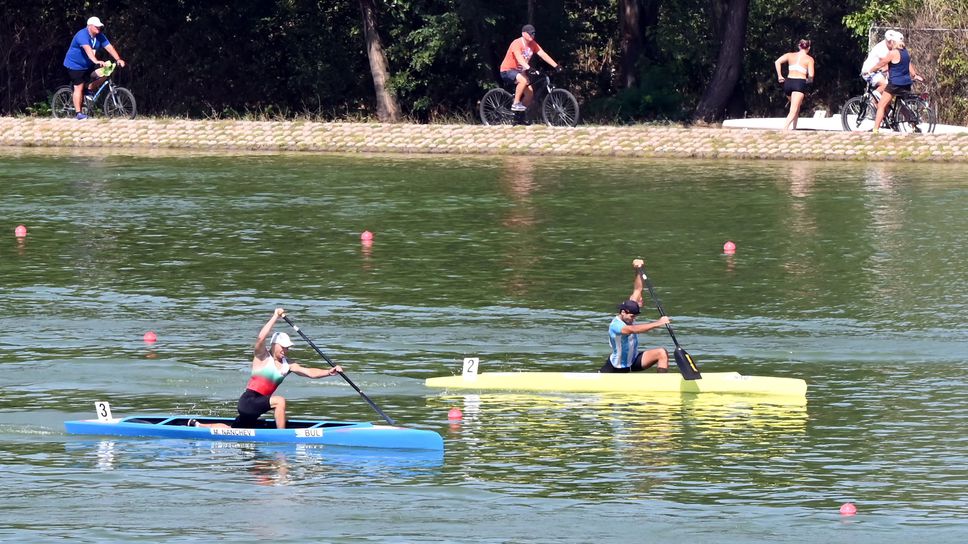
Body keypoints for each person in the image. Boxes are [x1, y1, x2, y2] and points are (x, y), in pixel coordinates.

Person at [193, 308, 343, 430]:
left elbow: (309, 372)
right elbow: (260, 338)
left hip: (260, 404)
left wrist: (328, 372)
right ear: (274, 345)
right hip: (248, 401)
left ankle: (197, 425)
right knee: (280, 401)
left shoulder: (288, 364)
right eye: (282, 347)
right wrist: (274, 317)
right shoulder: (262, 356)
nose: (285, 350)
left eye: (287, 347)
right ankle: (282, 436)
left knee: (234, 430)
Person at [600, 258, 672, 373]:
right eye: (632, 316)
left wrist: (638, 269)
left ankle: (661, 382)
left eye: (635, 316)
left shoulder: (630, 309)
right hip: (617, 367)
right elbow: (633, 329)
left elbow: (638, 289)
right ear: (623, 312)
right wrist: (658, 323)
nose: (633, 319)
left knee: (661, 353)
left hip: (633, 361)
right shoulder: (616, 326)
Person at [62, 16, 126, 120]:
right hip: (75, 65)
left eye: (99, 27)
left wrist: (118, 59)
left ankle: (89, 88)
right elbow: (88, 50)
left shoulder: (99, 36)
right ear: (89, 26)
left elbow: (109, 47)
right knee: (79, 87)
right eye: (96, 27)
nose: (99, 28)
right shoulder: (82, 35)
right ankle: (78, 114)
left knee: (105, 73)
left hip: (88, 64)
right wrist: (96, 61)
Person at [499, 24, 561, 112]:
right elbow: (519, 58)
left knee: (529, 94)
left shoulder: (533, 44)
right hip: (507, 70)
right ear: (524, 34)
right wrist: (528, 68)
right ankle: (515, 103)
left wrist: (556, 66)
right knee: (523, 81)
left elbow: (543, 54)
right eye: (530, 33)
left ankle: (519, 117)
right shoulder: (517, 43)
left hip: (519, 71)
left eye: (534, 33)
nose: (532, 35)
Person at [869, 35, 924, 133]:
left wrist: (870, 70)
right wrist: (914, 75)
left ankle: (875, 129)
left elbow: (882, 63)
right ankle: (914, 126)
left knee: (881, 105)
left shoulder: (893, 53)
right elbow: (908, 65)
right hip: (906, 83)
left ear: (894, 42)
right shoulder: (905, 53)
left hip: (895, 84)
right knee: (902, 106)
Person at [774, 39, 815, 130]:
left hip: (788, 83)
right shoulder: (809, 59)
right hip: (799, 83)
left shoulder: (790, 55)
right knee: (793, 110)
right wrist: (808, 80)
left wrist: (780, 76)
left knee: (796, 106)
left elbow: (777, 62)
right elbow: (811, 75)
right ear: (808, 48)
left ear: (799, 46)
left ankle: (794, 128)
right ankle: (784, 129)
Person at [861, 30, 903, 98]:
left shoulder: (893, 48)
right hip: (869, 72)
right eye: (889, 41)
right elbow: (885, 65)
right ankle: (873, 98)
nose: (891, 43)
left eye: (892, 41)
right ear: (886, 40)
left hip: (879, 72)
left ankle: (880, 104)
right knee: (886, 84)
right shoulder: (882, 49)